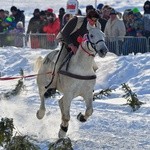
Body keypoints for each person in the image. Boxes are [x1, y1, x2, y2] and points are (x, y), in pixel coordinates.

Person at [44, 9, 101, 97]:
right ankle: (53, 86)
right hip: (68, 45)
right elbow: (64, 34)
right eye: (91, 20)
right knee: (58, 64)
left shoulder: (97, 26)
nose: (93, 22)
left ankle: (88, 86)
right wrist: (71, 45)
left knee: (94, 67)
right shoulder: (76, 21)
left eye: (95, 20)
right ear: (87, 17)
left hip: (83, 49)